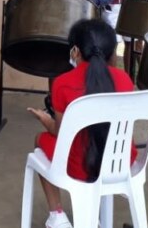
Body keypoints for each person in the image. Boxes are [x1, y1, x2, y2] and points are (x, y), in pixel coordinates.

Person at [27, 19, 137, 228]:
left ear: (75, 51)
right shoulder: (124, 79)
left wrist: (44, 119)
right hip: (120, 163)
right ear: (111, 52)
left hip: (79, 167)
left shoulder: (63, 83)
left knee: (40, 139)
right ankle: (93, 213)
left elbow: (60, 133)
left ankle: (58, 216)